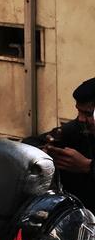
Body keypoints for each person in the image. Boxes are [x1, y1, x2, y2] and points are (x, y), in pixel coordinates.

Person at [44, 79, 95, 210]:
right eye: (79, 111)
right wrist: (44, 150)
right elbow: (33, 141)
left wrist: (88, 166)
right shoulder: (76, 129)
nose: (81, 119)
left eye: (88, 114)